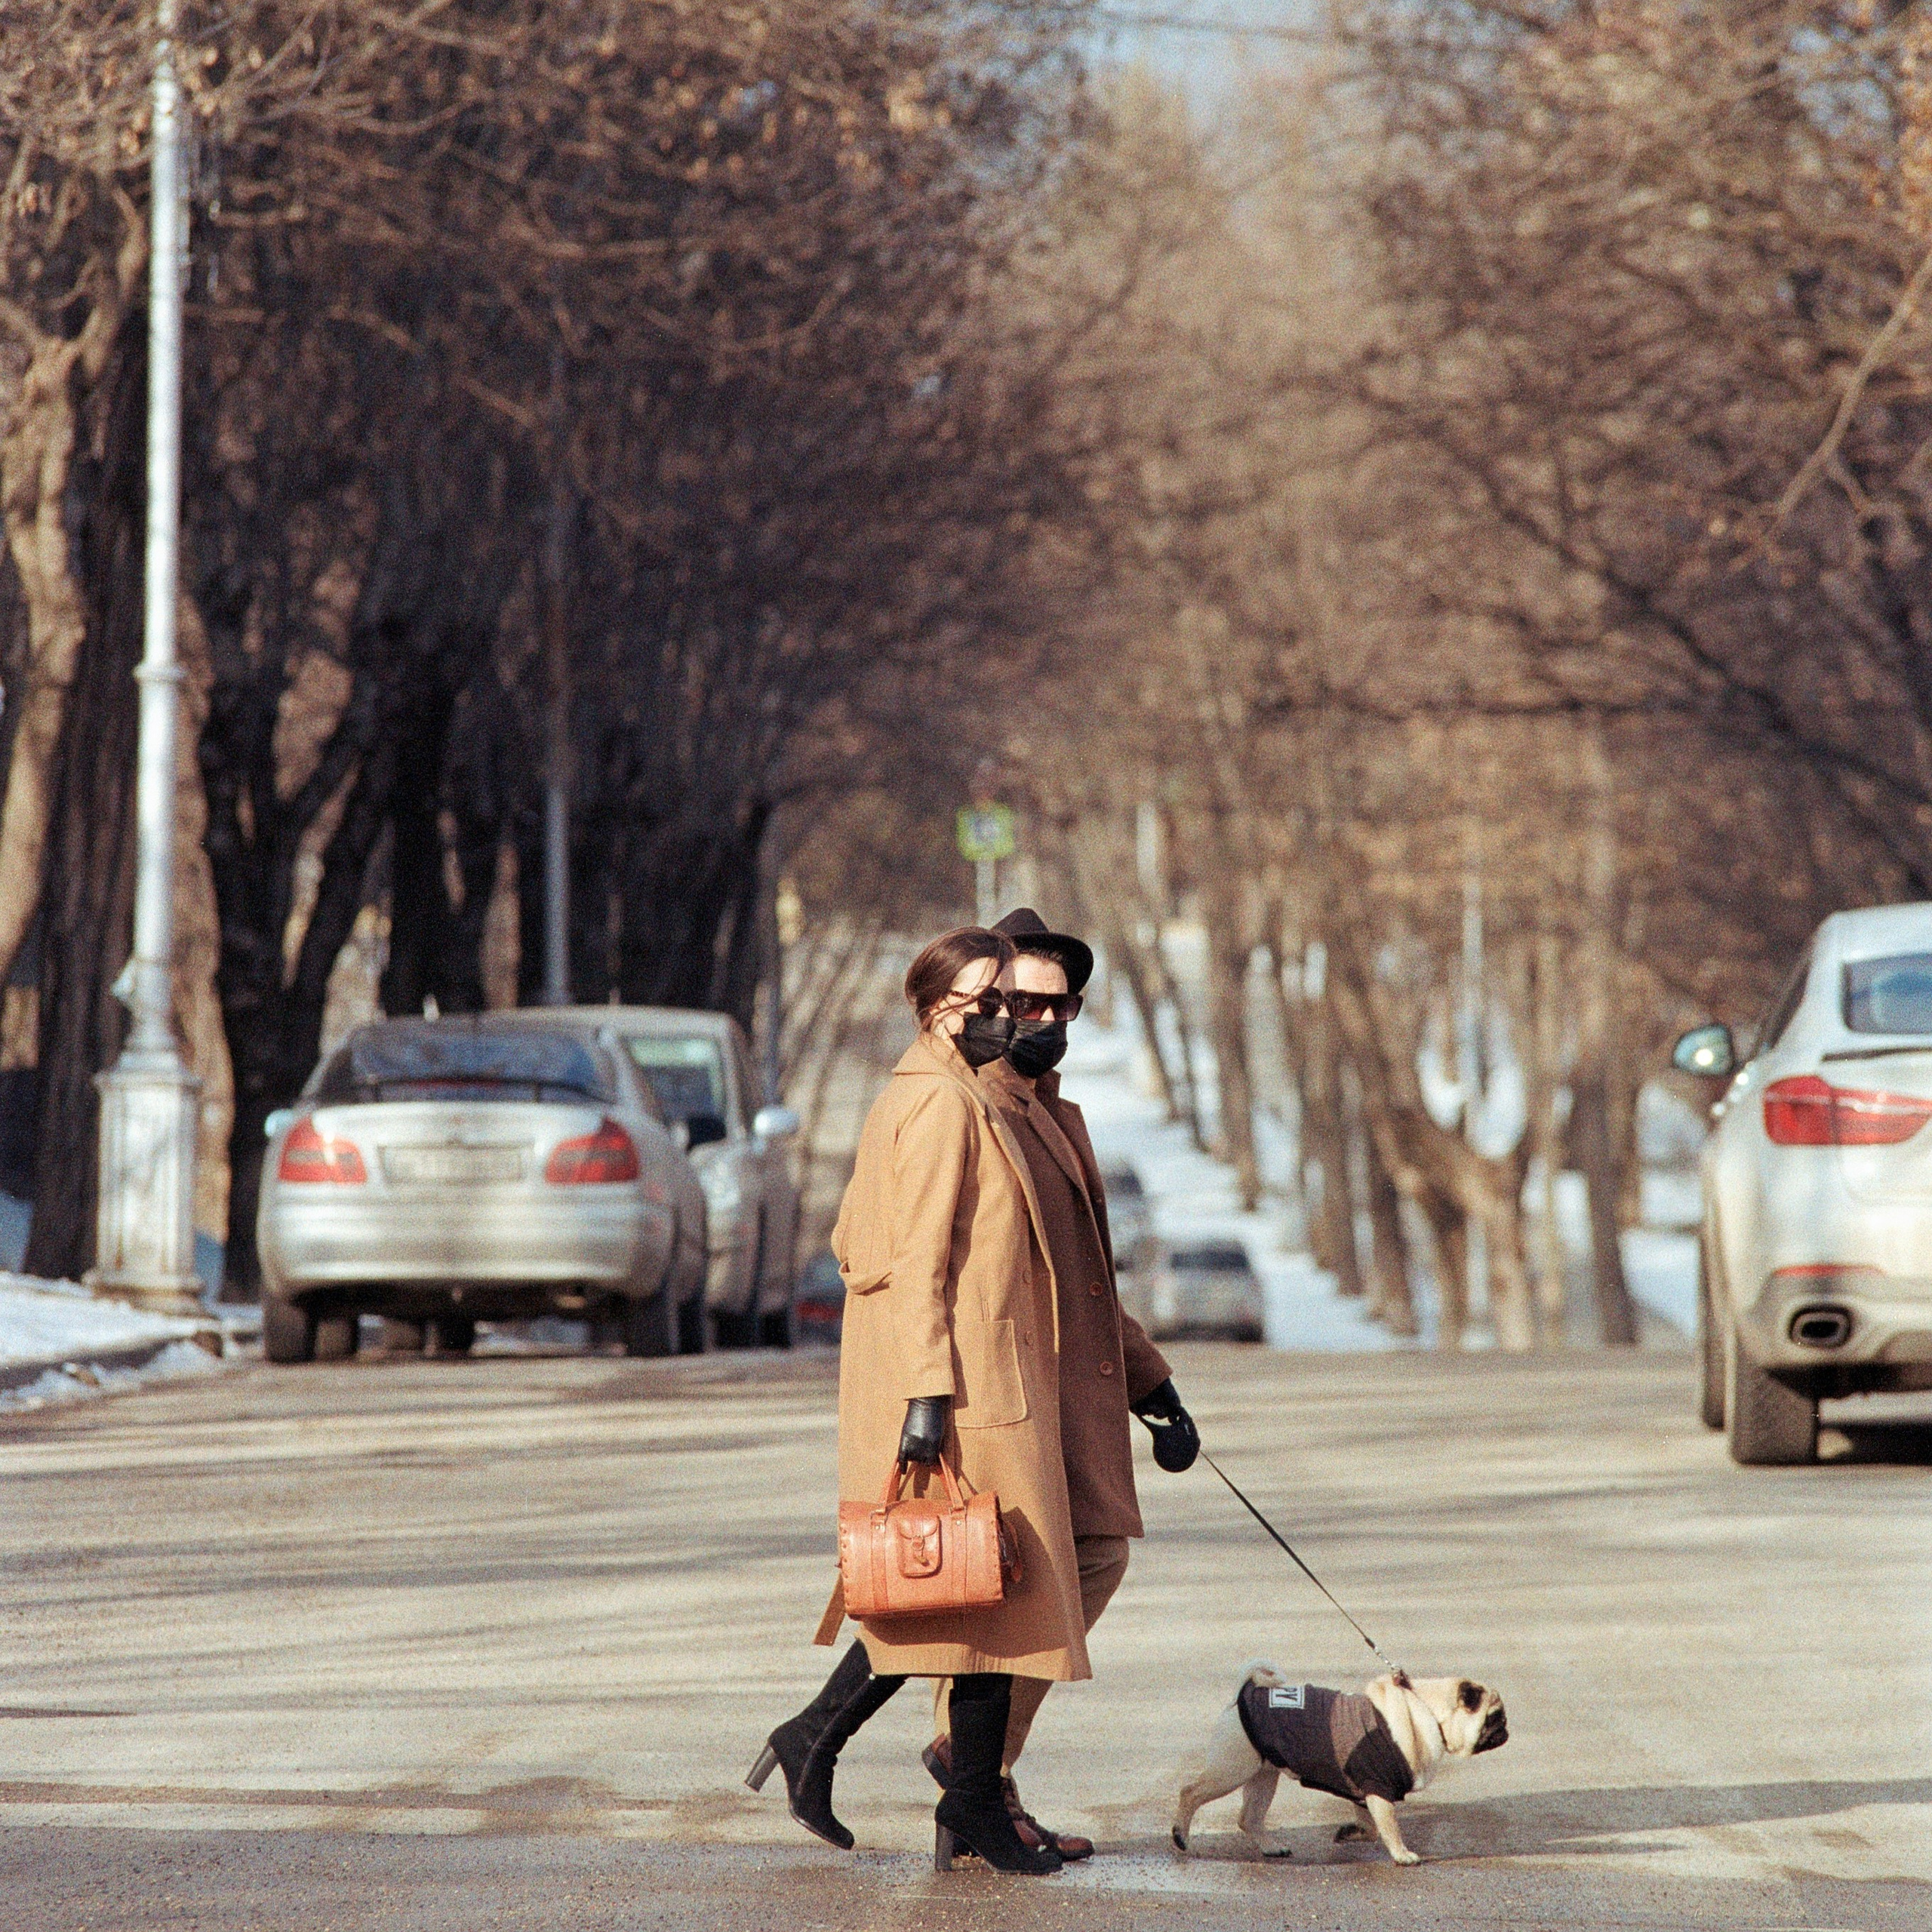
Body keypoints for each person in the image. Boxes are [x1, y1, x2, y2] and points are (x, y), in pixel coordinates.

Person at [750, 922, 1076, 1875]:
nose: (998, 1013)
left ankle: (836, 1745)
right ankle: (944, 1790)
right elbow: (918, 1262)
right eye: (980, 998)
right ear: (933, 1006)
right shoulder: (939, 1102)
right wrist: (927, 1395)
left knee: (970, 1603)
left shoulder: (950, 1090)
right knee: (975, 1600)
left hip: (973, 1374)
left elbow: (862, 1234)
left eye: (1003, 998)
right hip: (965, 1386)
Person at [919, 907, 1198, 1860]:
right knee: (1001, 1589)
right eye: (1018, 1001)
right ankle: (972, 1778)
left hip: (1055, 1396)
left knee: (1083, 1560)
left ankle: (972, 1775)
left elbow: (1089, 1281)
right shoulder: (971, 1106)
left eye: (1055, 1002)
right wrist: (924, 1389)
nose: (1037, 1018)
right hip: (988, 1395)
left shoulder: (1050, 1109)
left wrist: (1154, 1390)